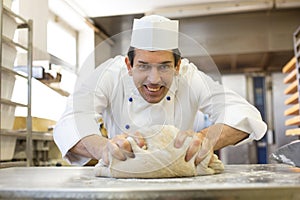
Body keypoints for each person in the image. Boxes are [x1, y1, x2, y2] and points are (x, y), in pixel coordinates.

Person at [53, 15, 267, 166]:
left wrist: (206, 139)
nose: (154, 80)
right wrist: (102, 149)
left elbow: (245, 114)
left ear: (177, 66)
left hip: (180, 182)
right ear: (129, 65)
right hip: (121, 180)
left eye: (164, 66)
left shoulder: (189, 77)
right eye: (143, 65)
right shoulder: (110, 74)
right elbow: (72, 119)